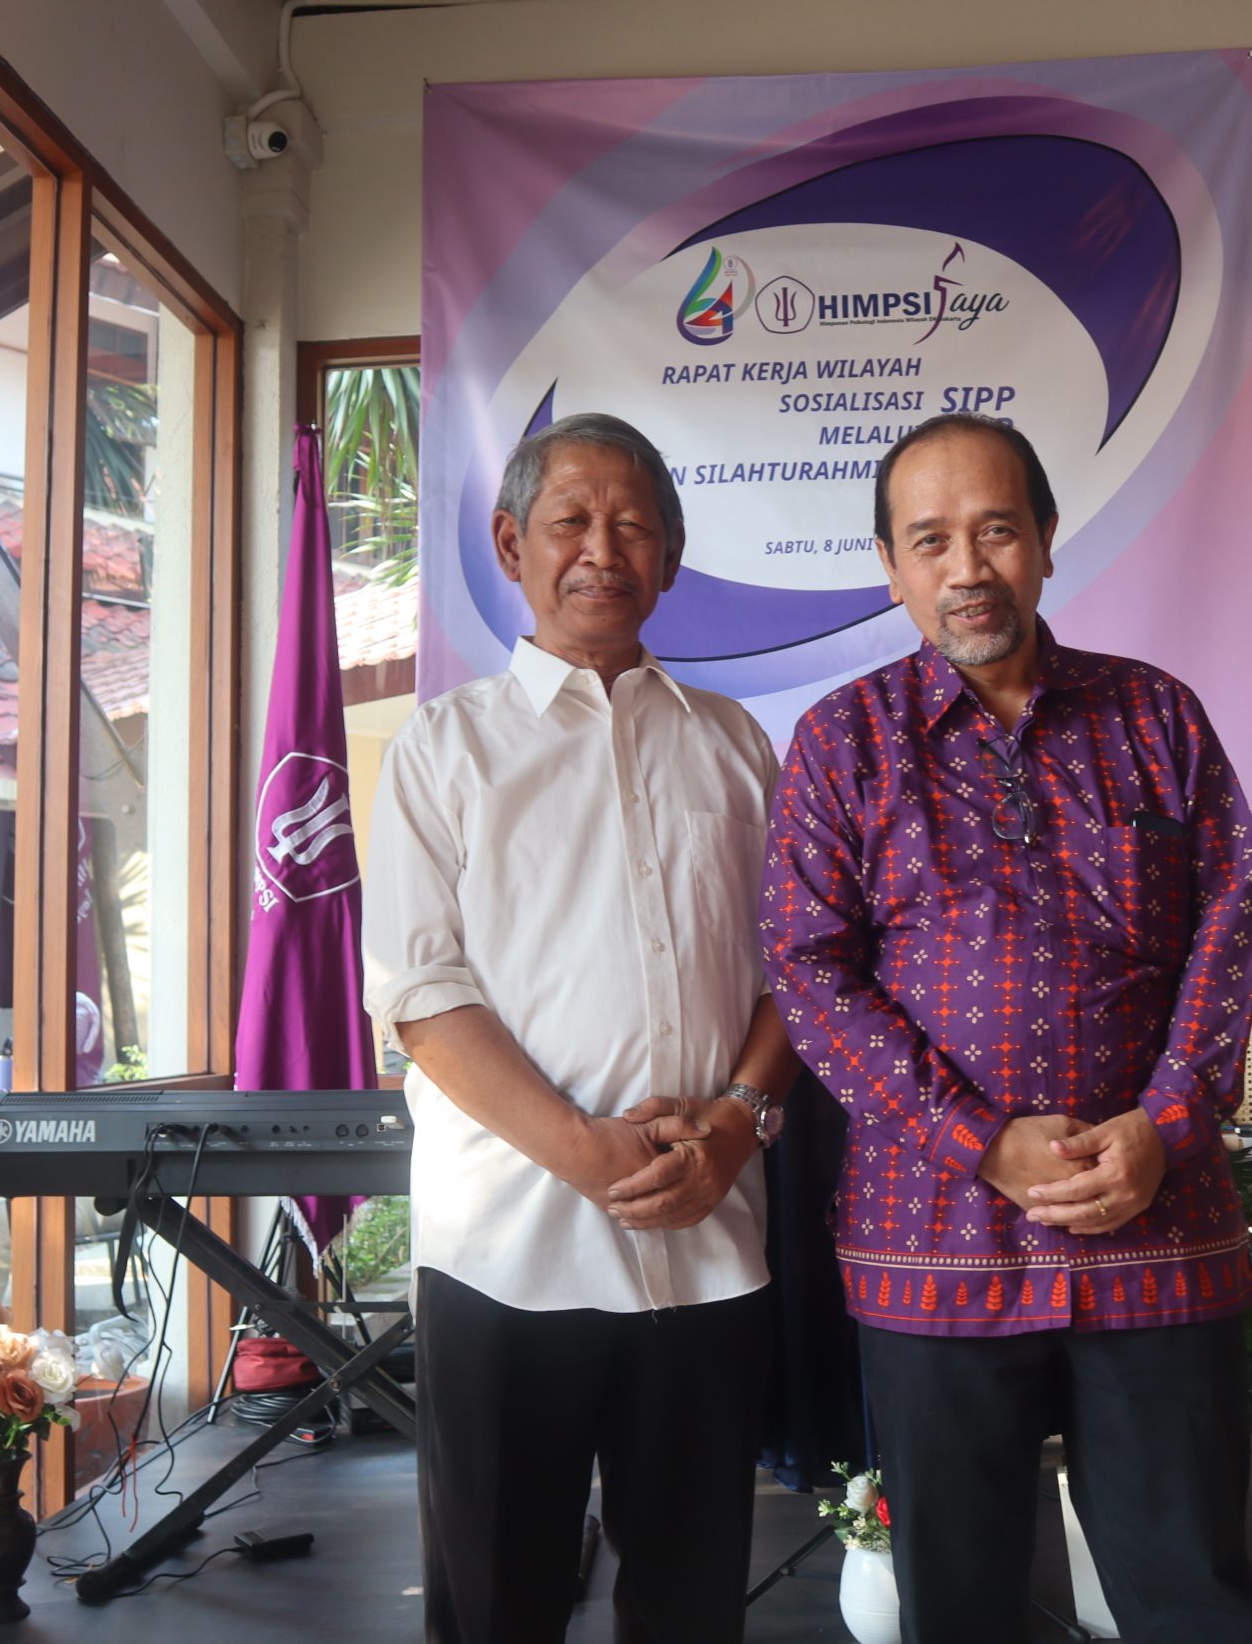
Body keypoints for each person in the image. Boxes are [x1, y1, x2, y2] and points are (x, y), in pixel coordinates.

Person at [763, 412, 1252, 1644]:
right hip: (932, 1243)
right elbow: (807, 969)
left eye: (995, 531)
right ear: (889, 566)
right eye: (929, 540)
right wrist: (977, 1140)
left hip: (1157, 1230)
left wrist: (1163, 1124)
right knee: (958, 1606)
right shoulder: (842, 741)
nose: (967, 568)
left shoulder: (1154, 716)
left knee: (1192, 1600)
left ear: (1045, 539)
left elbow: (1228, 923)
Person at [363, 412, 797, 1644]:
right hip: (508, 1251)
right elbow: (420, 993)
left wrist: (736, 1126)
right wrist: (583, 1152)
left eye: (633, 526)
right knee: (498, 1607)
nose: (602, 550)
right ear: (512, 545)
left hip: (708, 1239)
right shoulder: (443, 749)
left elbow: (797, 973)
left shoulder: (735, 745)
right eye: (571, 522)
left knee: (692, 1606)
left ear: (671, 557)